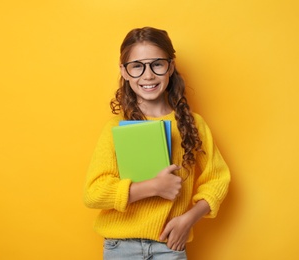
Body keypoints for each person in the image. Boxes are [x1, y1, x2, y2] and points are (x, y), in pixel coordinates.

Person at [84, 26, 230, 259]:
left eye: (157, 64)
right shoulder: (114, 128)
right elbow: (93, 193)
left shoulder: (193, 124)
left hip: (169, 246)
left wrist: (188, 219)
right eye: (137, 66)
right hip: (121, 248)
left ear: (170, 67)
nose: (148, 75)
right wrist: (153, 187)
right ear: (124, 71)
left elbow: (217, 179)